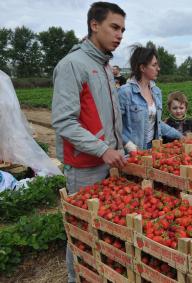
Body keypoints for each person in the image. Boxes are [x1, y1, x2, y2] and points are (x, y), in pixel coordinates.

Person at [51, 2, 126, 283]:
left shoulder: (105, 67)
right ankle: (76, 278)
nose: (119, 35)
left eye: (122, 30)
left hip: (107, 161)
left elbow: (108, 117)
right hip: (84, 167)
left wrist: (120, 144)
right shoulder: (73, 65)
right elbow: (63, 121)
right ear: (94, 25)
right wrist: (103, 148)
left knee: (101, 228)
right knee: (81, 230)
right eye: (114, 27)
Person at [118, 45, 182, 151]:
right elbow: (113, 127)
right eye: (154, 65)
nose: (158, 68)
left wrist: (179, 136)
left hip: (152, 149)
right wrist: (129, 146)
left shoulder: (156, 92)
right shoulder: (125, 92)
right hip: (131, 153)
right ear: (142, 68)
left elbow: (157, 123)